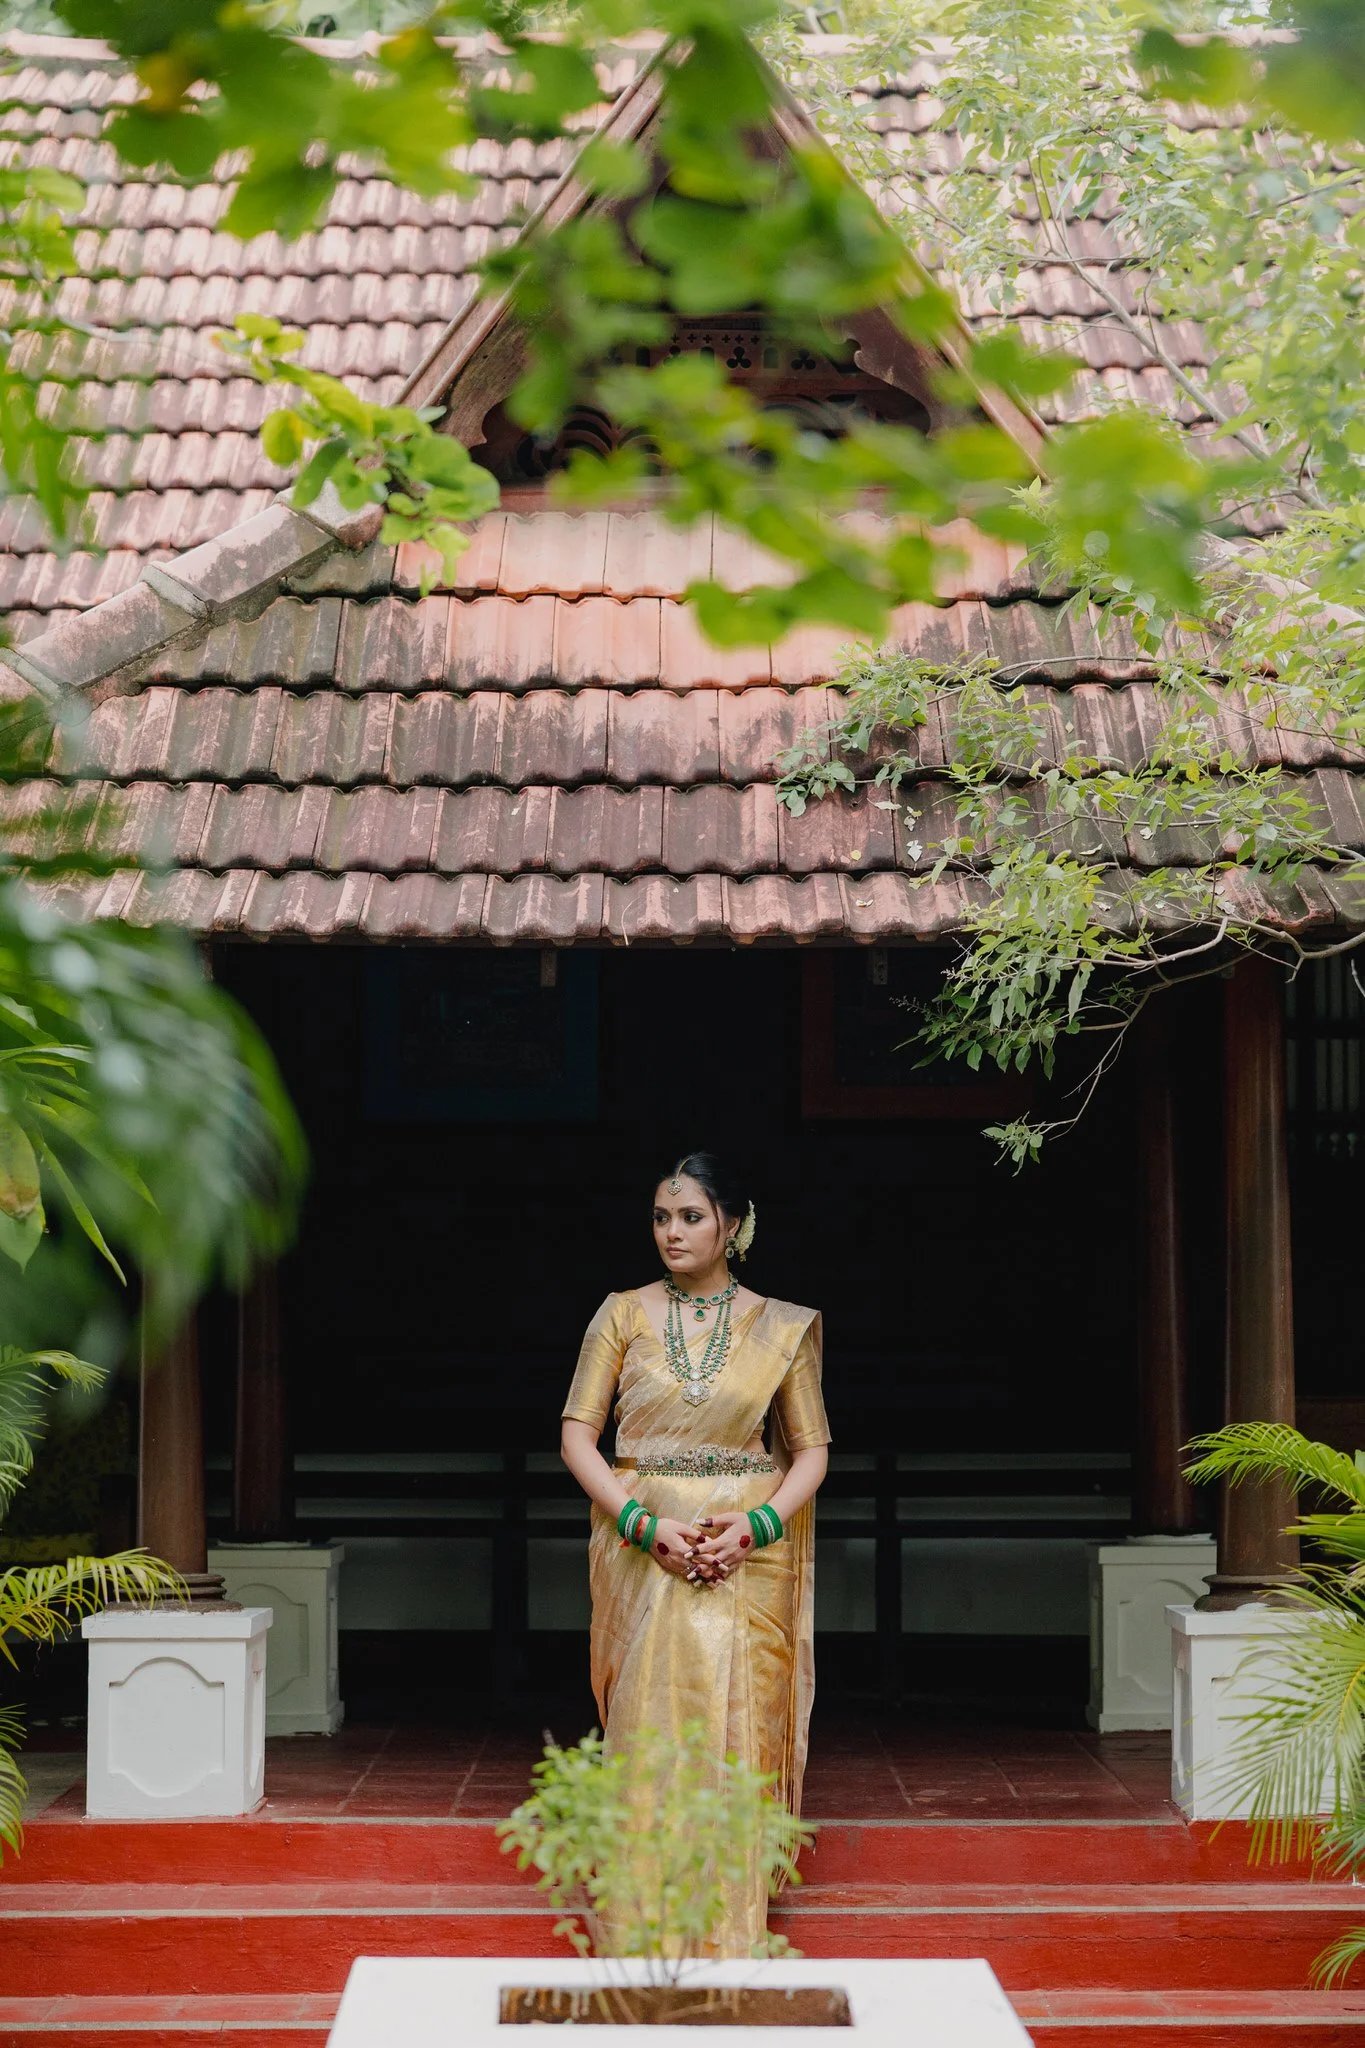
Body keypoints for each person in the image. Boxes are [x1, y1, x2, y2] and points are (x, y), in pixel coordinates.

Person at [559, 1152, 831, 1952]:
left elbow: (810, 1451)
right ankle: (644, 1927)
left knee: (736, 1727)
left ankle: (728, 1929)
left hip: (746, 1547)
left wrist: (757, 1527)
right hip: (644, 1543)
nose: (670, 1232)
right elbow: (578, 1437)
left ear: (733, 1225)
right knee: (650, 1722)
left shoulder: (781, 1327)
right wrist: (645, 1526)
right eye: (659, 1217)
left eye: (689, 1217)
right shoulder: (622, 1313)